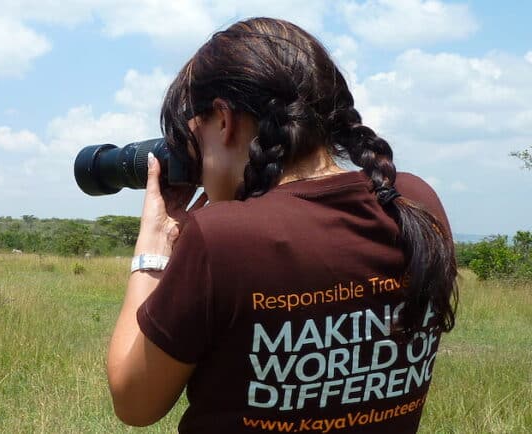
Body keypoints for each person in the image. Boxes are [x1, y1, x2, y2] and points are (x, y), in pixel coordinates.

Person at [106, 17, 458, 433]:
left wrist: (153, 250)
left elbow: (134, 402)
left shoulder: (223, 237)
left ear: (223, 119)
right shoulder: (413, 201)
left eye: (193, 135)